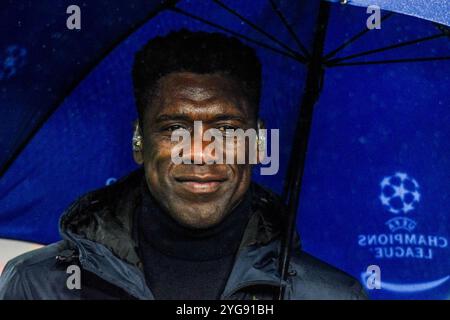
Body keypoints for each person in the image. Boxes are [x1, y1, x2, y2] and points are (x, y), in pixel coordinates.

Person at [0, 30, 367, 300]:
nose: (201, 153)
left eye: (225, 129)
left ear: (257, 143)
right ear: (138, 140)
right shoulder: (39, 285)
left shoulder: (329, 296)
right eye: (175, 128)